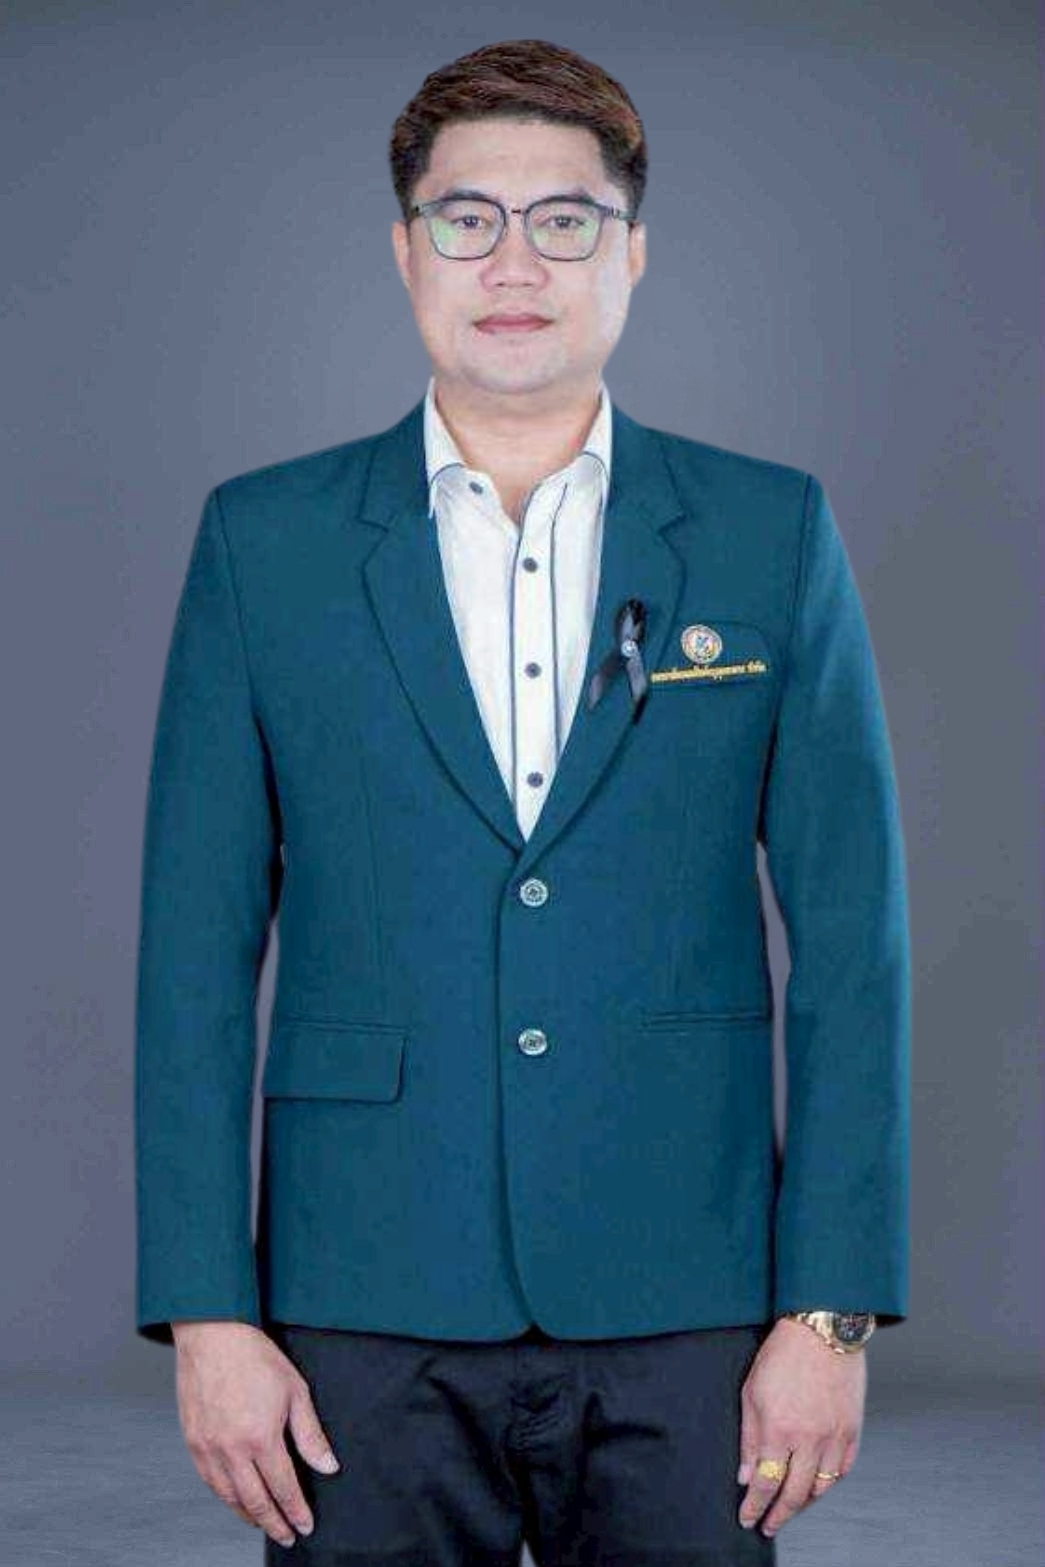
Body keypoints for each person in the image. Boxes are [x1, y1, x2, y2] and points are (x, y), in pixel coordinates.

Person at [134, 38, 911, 1565]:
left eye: (562, 220)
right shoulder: (265, 542)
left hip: (687, 1283)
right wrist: (208, 1312)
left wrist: (830, 1311)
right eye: (464, 217)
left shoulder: (764, 531)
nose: (512, 262)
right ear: (403, 249)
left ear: (631, 251)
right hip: (360, 1288)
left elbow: (852, 944)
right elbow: (193, 959)